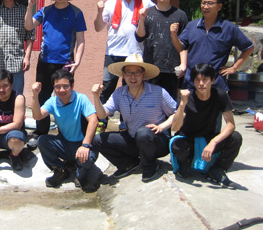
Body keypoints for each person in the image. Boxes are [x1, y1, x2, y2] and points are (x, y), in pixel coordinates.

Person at [92, 54, 177, 182]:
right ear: (123, 75)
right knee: (98, 139)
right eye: (129, 73)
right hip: (133, 139)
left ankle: (150, 165)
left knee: (143, 133)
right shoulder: (119, 93)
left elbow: (177, 113)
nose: (133, 77)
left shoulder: (158, 92)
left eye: (137, 73)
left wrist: (161, 127)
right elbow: (102, 114)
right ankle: (128, 163)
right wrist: (96, 97)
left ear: (143, 74)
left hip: (156, 141)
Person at [25, 0, 86, 146]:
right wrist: (30, 7)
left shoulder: (76, 13)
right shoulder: (45, 11)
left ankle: (65, 132)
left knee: (64, 97)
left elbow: (80, 40)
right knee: (42, 96)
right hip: (45, 62)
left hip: (66, 63)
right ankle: (41, 132)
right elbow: (29, 26)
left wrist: (78, 61)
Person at [171, 63, 242, 187]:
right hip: (188, 139)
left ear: (212, 80)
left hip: (208, 137)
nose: (201, 84)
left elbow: (230, 124)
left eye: (205, 80)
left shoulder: (220, 95)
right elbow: (175, 128)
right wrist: (182, 104)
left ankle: (217, 169)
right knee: (177, 145)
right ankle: (186, 163)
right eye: (197, 80)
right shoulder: (188, 97)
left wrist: (213, 142)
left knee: (235, 137)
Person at [94, 0, 155, 108]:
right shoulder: (110, 3)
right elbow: (98, 28)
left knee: (132, 90)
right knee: (107, 88)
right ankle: (101, 122)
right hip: (113, 53)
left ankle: (126, 124)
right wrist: (99, 12)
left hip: (134, 54)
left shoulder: (146, 3)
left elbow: (156, 21)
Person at [171, 0, 254, 91]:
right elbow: (180, 47)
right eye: (203, 3)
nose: (206, 6)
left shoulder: (228, 28)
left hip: (216, 85)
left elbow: (249, 47)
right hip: (191, 84)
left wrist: (234, 67)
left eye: (210, 3)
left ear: (219, 6)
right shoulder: (192, 26)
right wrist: (173, 35)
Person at [31, 70, 99, 192]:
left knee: (85, 163)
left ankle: (80, 172)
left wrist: (85, 145)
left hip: (83, 144)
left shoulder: (81, 99)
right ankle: (61, 170)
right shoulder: (53, 101)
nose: (61, 90)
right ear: (54, 88)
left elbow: (94, 121)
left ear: (72, 86)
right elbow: (37, 116)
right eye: (57, 87)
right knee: (42, 141)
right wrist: (35, 96)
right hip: (65, 144)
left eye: (65, 86)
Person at [135, 0, 188, 99]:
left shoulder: (180, 15)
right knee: (149, 102)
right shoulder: (147, 13)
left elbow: (185, 44)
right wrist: (141, 19)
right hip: (151, 67)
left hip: (172, 69)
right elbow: (139, 37)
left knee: (170, 104)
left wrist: (183, 65)